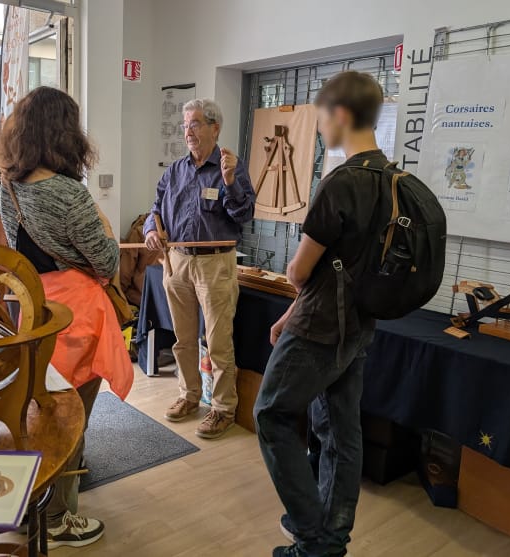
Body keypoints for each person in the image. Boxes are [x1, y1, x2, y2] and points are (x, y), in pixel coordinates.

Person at [0, 86, 134, 549]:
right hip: (76, 317)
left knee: (37, 411)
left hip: (31, 310)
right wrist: (106, 229)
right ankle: (61, 518)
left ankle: (27, 505)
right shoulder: (68, 193)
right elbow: (107, 263)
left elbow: (8, 246)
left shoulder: (5, 183)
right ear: (65, 133)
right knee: (70, 421)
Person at [253, 71, 387, 557]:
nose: (320, 124)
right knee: (341, 432)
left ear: (342, 115)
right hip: (357, 329)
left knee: (270, 415)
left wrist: (295, 306)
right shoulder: (392, 182)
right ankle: (331, 538)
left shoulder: (341, 183)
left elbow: (300, 269)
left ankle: (312, 535)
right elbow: (342, 273)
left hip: (320, 331)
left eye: (323, 113)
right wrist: (291, 313)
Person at [144, 98, 255, 439]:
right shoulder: (175, 170)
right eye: (185, 125)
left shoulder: (231, 168)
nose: (188, 131)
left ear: (214, 127)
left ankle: (222, 409)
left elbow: (244, 215)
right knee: (183, 339)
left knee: (218, 341)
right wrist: (151, 229)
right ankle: (189, 395)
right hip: (176, 262)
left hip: (215, 263)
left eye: (194, 124)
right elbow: (156, 207)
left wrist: (231, 180)